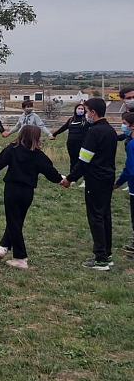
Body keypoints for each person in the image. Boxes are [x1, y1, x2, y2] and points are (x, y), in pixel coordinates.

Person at [0, 126, 66, 269]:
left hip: (12, 189)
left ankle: (20, 258)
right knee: (16, 220)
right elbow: (50, 171)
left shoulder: (12, 149)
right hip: (27, 192)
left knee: (14, 221)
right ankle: (3, 247)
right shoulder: (38, 155)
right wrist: (62, 179)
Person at [65, 98, 118, 271]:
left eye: (87, 111)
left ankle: (100, 259)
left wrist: (70, 178)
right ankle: (107, 254)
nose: (85, 114)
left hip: (95, 179)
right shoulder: (110, 130)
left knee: (95, 217)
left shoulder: (94, 133)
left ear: (93, 112)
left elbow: (83, 161)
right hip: (107, 177)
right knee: (105, 216)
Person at [51, 103, 89, 173]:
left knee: (82, 160)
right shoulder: (71, 119)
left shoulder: (86, 120)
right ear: (75, 110)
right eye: (79, 109)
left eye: (82, 109)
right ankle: (72, 176)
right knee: (73, 160)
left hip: (82, 143)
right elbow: (64, 127)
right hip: (71, 142)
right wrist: (54, 134)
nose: (80, 110)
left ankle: (84, 176)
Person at [115, 112, 134, 254]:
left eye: (125, 124)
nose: (123, 126)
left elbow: (130, 169)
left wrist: (118, 183)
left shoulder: (131, 145)